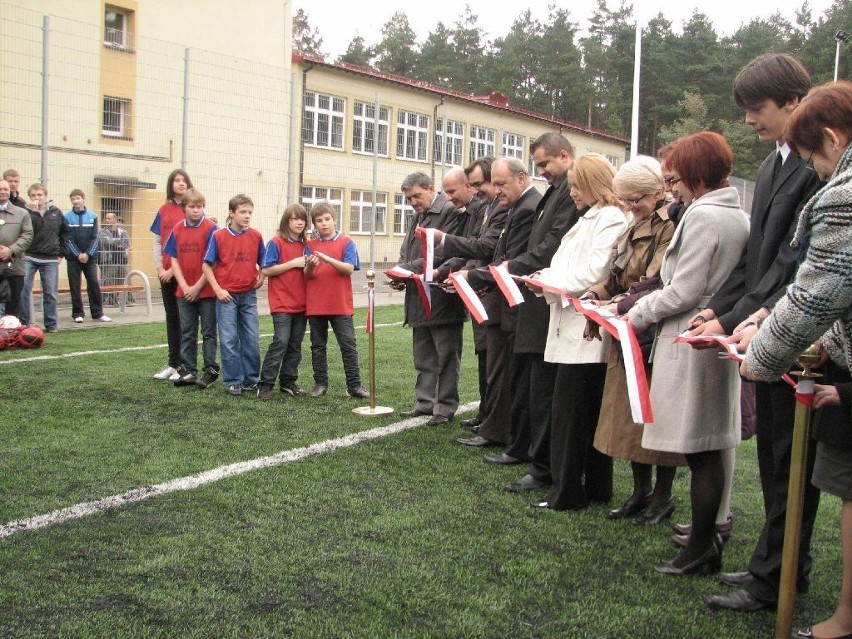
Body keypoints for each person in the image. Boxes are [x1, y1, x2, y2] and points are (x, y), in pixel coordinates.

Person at [698, 53, 823, 613]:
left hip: (798, 331)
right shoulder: (775, 165)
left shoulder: (818, 165)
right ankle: (776, 566)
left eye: (757, 109)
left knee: (789, 463)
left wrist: (761, 316)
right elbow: (755, 259)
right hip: (764, 325)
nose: (748, 121)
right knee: (775, 463)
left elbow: (798, 265)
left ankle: (777, 577)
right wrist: (722, 314)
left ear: (795, 103)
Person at [741, 80, 852, 639]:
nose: (819, 172)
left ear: (831, 137)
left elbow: (815, 292)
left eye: (816, 159)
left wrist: (759, 358)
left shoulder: (843, 195)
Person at [626, 131, 748, 574]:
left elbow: (685, 290)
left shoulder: (706, 217)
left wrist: (635, 313)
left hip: (692, 337)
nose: (671, 188)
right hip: (701, 334)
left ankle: (701, 546)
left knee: (701, 451)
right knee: (706, 448)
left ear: (696, 175)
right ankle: (703, 538)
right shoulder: (728, 214)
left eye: (676, 178)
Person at [586, 156, 685, 524]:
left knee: (655, 417)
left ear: (658, 192)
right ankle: (640, 491)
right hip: (624, 331)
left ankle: (662, 496)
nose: (629, 207)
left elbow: (657, 280)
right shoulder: (630, 226)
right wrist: (597, 294)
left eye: (636, 199)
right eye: (624, 199)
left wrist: (617, 302)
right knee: (627, 420)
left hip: (651, 334)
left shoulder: (669, 226)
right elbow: (612, 272)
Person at [532, 153, 628, 511]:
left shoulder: (610, 218)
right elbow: (567, 266)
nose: (572, 192)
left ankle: (569, 491)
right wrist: (545, 280)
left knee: (572, 416)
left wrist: (547, 282)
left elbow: (594, 271)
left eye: (577, 185)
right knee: (577, 414)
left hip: (585, 329)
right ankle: (589, 487)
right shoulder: (589, 217)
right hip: (570, 323)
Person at [499, 132, 582, 493]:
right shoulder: (557, 189)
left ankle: (543, 466)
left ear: (564, 156)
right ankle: (538, 460)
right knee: (536, 389)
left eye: (544, 164)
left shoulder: (567, 192)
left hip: (549, 305)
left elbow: (552, 247)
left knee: (544, 393)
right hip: (536, 304)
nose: (542, 172)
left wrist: (508, 267)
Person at [456, 157, 540, 446]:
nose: (496, 189)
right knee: (497, 369)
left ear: (521, 177)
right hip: (499, 298)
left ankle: (498, 431)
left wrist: (475, 277)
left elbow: (509, 258)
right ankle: (494, 427)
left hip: (511, 303)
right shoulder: (513, 206)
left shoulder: (527, 208)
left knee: (501, 371)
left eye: (500, 183)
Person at [432, 159, 509, 430]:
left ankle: (493, 420)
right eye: (473, 185)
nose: (475, 190)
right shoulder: (485, 208)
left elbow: (483, 248)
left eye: (479, 184)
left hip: (492, 293)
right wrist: (453, 273)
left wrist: (464, 272)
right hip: (479, 290)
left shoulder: (499, 209)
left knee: (493, 359)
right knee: (484, 355)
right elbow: (472, 252)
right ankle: (486, 414)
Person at [394, 172, 467, 425]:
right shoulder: (417, 217)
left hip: (442, 297)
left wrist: (407, 269)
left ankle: (444, 407)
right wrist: (400, 272)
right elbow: (406, 251)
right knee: (423, 354)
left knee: (446, 355)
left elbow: (445, 251)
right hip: (418, 298)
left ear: (431, 189)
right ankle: (424, 402)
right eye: (408, 198)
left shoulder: (450, 212)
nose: (412, 201)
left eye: (416, 195)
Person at [304, 202, 368, 399]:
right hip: (316, 304)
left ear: (334, 219)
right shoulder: (309, 245)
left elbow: (349, 269)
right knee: (317, 346)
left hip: (340, 304)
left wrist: (327, 258)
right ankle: (320, 383)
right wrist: (312, 266)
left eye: (327, 219)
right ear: (314, 224)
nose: (323, 224)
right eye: (319, 221)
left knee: (348, 345)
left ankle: (354, 385)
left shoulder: (347, 242)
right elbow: (306, 275)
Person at [202, 194, 264, 396]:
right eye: (243, 212)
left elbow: (264, 262)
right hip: (227, 297)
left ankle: (251, 379)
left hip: (248, 296)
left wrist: (261, 276)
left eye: (250, 213)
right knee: (229, 339)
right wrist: (218, 290)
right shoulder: (219, 236)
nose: (247, 216)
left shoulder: (256, 236)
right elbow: (206, 265)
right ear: (231, 213)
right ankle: (233, 380)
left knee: (252, 338)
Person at [163, 188, 219, 389]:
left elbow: (212, 262)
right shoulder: (177, 229)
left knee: (209, 332)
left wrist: (197, 286)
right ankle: (188, 370)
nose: (196, 210)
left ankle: (210, 369)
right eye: (192, 207)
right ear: (184, 208)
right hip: (184, 291)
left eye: (199, 206)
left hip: (206, 291)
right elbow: (174, 259)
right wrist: (185, 285)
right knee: (187, 331)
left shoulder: (211, 228)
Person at [257, 204, 309, 401]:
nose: (299, 222)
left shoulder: (306, 244)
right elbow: (267, 269)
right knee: (280, 341)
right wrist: (293, 263)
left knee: (295, 344)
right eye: (295, 219)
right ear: (287, 221)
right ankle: (265, 384)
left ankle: (288, 382)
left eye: (302, 219)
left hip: (302, 303)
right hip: (282, 303)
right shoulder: (276, 243)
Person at [151, 169, 193, 381]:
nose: (181, 184)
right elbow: (158, 241)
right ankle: (173, 363)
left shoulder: (192, 209)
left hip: (183, 275)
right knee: (172, 319)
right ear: (171, 184)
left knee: (186, 321)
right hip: (165, 274)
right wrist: (160, 269)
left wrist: (171, 270)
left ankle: (185, 366)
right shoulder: (164, 210)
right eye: (177, 180)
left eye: (184, 180)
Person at [19, 183, 69, 333]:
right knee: (23, 291)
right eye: (33, 195)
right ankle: (25, 324)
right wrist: (33, 212)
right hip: (29, 256)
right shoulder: (25, 212)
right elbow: (29, 230)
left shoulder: (56, 212)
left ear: (45, 196)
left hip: (50, 259)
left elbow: (65, 233)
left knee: (50, 293)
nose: (37, 198)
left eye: (39, 195)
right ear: (29, 197)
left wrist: (61, 253)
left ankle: (51, 325)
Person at [64, 189, 111, 324]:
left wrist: (88, 253)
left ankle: (98, 313)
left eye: (78, 198)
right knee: (75, 285)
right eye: (73, 199)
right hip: (73, 258)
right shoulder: (67, 217)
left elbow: (95, 237)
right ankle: (78, 313)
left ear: (83, 199)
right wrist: (78, 254)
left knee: (93, 284)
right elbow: (68, 238)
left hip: (90, 258)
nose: (76, 201)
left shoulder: (93, 216)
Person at [0, 179, 33, 318]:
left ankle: (10, 338)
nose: (2, 192)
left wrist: (10, 250)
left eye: (5, 189)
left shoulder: (22, 213)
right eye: (0, 189)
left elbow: (28, 235)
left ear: (10, 191)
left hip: (14, 266)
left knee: (13, 307)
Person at [98, 212, 131, 306]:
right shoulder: (102, 231)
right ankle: (109, 301)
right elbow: (107, 241)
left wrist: (116, 242)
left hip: (121, 259)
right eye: (106, 218)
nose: (107, 220)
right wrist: (120, 242)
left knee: (124, 279)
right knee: (108, 281)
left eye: (109, 218)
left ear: (115, 220)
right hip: (108, 260)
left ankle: (128, 301)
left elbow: (127, 244)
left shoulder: (123, 232)